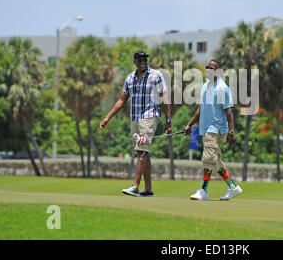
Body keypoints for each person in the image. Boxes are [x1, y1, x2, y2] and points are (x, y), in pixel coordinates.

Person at [100, 50, 172, 197]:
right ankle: (149, 189)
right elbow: (122, 100)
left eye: (144, 59)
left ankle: (135, 186)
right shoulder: (130, 78)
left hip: (150, 117)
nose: (143, 62)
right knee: (143, 152)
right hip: (134, 118)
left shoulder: (155, 75)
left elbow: (163, 98)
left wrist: (168, 121)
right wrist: (108, 118)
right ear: (135, 62)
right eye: (139, 60)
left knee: (142, 149)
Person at [183, 59, 242, 201]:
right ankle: (232, 187)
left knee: (208, 158)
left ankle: (203, 190)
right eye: (207, 67)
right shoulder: (204, 87)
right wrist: (189, 125)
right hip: (205, 128)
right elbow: (200, 109)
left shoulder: (222, 88)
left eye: (212, 68)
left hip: (216, 129)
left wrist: (231, 132)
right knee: (213, 159)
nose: (208, 70)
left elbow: (229, 111)